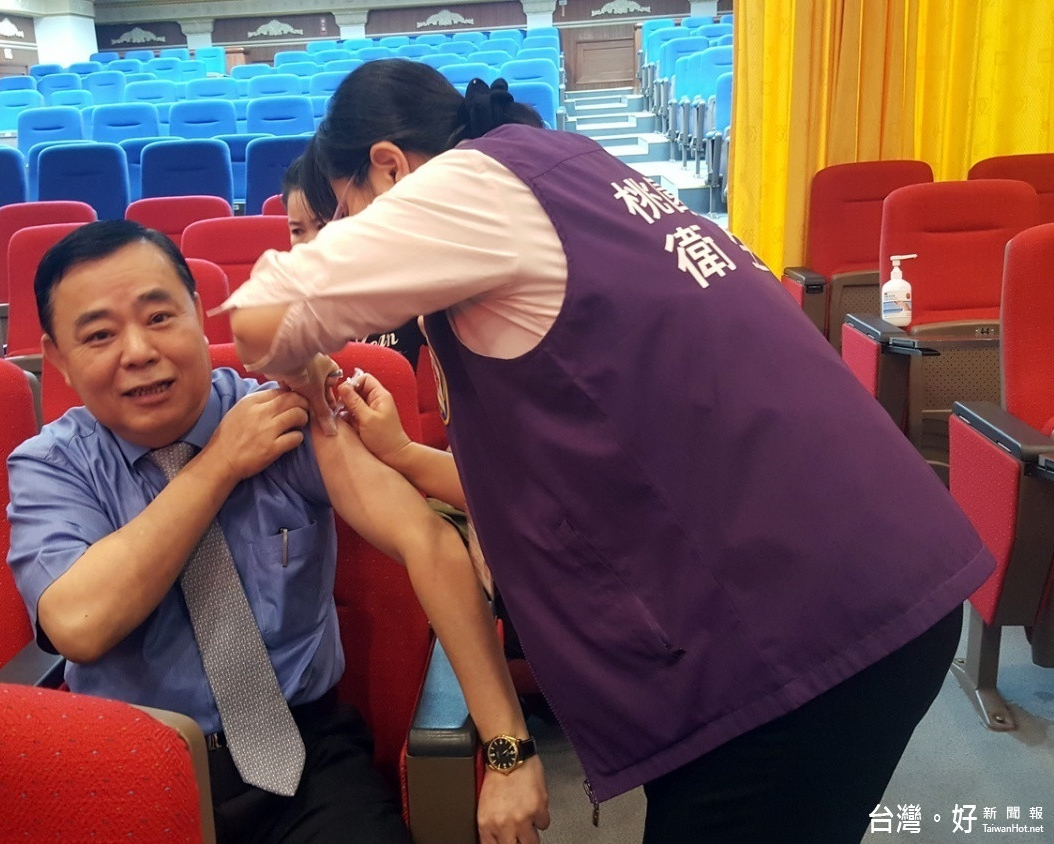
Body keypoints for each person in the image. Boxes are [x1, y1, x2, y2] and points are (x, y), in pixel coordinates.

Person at [220, 60, 996, 843]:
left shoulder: (463, 189)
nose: (342, 241)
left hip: (799, 634)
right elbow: (582, 467)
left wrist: (306, 358)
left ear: (390, 167)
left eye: (343, 216)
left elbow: (259, 322)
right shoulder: (561, 166)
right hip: (873, 577)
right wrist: (405, 453)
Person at [5, 220, 549, 844]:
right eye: (100, 334)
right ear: (57, 358)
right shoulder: (52, 466)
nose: (138, 351)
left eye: (159, 318)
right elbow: (78, 625)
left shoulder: (291, 413)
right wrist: (219, 464)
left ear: (198, 313)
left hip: (301, 758)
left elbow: (426, 543)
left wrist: (509, 749)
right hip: (129, 768)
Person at [282, 151, 426, 367]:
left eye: (322, 225)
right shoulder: (285, 304)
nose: (310, 242)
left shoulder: (405, 289)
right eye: (297, 230)